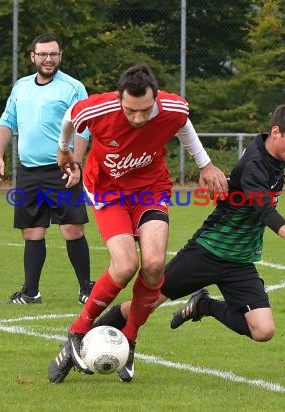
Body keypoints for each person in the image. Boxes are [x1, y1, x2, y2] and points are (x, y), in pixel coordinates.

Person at [64, 102, 285, 382]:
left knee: (263, 330)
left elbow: (278, 132)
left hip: (240, 261)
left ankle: (205, 305)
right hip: (207, 251)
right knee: (145, 304)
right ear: (275, 133)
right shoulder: (256, 166)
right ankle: (81, 341)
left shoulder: (272, 153)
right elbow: (267, 213)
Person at [48, 63, 228, 383]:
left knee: (155, 264)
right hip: (109, 191)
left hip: (150, 189)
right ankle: (77, 330)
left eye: (145, 111)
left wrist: (206, 164)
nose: (138, 118)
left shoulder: (171, 107)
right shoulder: (99, 108)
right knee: (125, 265)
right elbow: (70, 119)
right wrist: (64, 151)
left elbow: (183, 123)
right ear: (120, 99)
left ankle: (129, 339)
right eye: (131, 111)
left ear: (155, 98)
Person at [0, 33, 93, 305]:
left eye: (54, 54)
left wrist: (77, 165)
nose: (49, 59)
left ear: (60, 56)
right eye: (43, 54)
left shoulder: (73, 87)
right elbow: (6, 122)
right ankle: (31, 293)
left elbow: (84, 129)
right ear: (32, 57)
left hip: (62, 171)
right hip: (29, 172)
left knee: (72, 230)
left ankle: (87, 290)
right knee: (32, 232)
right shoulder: (21, 87)